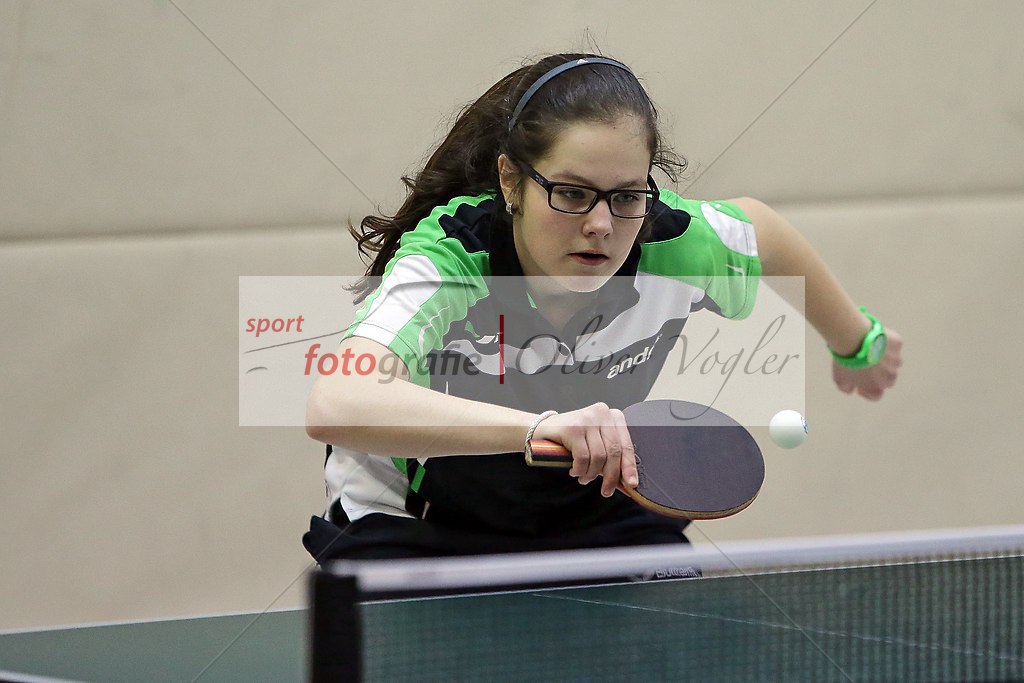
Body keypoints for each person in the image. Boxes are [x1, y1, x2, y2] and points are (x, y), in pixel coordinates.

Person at [302, 53, 903, 561]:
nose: (601, 224)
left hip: (586, 509)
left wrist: (858, 344)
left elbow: (762, 232)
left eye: (626, 196)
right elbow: (337, 401)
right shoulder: (453, 256)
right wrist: (536, 428)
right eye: (571, 193)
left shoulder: (672, 242)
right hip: (417, 524)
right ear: (511, 181)